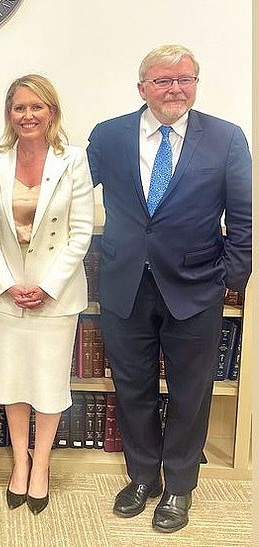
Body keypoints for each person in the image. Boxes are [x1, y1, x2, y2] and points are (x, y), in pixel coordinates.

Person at [87, 44, 251, 533]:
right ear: (142, 88)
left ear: (196, 84)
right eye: (162, 80)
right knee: (132, 387)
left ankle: (179, 486)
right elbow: (67, 193)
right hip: (124, 284)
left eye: (185, 79)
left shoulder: (226, 138)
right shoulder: (109, 135)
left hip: (196, 288)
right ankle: (143, 478)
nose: (175, 88)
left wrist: (231, 279)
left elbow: (241, 218)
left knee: (190, 392)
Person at [0, 74, 95, 515]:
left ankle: (41, 465)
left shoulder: (75, 160)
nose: (27, 115)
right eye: (18, 108)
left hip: (56, 296)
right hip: (7, 293)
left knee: (48, 384)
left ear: (52, 111)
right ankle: (18, 463)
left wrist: (46, 287)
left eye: (36, 107)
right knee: (11, 384)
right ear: (9, 114)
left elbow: (80, 233)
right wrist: (8, 282)